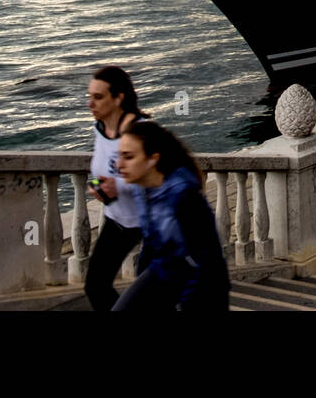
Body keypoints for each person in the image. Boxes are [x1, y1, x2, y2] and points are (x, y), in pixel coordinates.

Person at [114, 121, 230, 311]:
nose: (119, 165)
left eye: (128, 157)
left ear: (152, 159)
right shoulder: (142, 189)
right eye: (119, 156)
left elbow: (203, 262)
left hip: (204, 285)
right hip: (164, 270)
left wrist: (184, 304)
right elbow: (151, 245)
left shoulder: (184, 196)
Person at [85, 66, 148, 311]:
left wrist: (119, 184)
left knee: (155, 296)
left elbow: (161, 178)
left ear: (118, 98)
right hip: (118, 221)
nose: (90, 104)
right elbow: (99, 170)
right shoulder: (100, 130)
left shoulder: (141, 132)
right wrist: (98, 186)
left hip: (152, 222)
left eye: (98, 97)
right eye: (89, 97)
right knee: (95, 285)